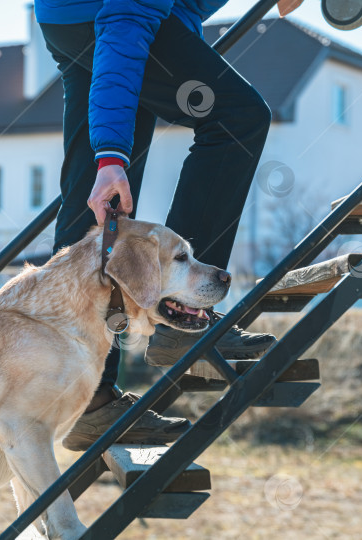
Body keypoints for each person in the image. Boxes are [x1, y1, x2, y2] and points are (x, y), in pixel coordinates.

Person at [36, 0, 277, 451]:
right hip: (116, 13)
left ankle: (85, 397)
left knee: (95, 199)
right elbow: (127, 19)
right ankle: (180, 312)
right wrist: (111, 154)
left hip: (69, 16)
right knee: (236, 118)